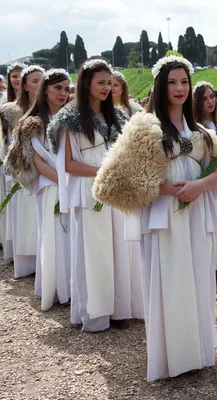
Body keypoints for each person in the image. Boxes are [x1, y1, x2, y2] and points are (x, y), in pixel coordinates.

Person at [93, 56, 217, 382]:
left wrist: (198, 185)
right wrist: (164, 187)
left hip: (194, 214)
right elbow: (114, 181)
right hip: (162, 216)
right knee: (168, 280)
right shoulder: (143, 126)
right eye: (172, 82)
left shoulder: (202, 131)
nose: (180, 88)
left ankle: (197, 351)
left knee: (196, 277)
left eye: (184, 82)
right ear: (160, 85)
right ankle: (170, 357)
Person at [47, 59, 143, 332]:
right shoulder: (69, 118)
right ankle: (96, 311)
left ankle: (120, 308)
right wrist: (103, 172)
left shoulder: (120, 117)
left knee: (121, 248)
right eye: (100, 82)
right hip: (89, 192)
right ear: (86, 83)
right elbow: (66, 163)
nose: (106, 88)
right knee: (94, 251)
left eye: (110, 83)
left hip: (118, 191)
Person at [3, 69, 71, 311]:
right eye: (57, 88)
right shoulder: (32, 123)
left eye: (66, 88)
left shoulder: (72, 119)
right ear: (45, 90)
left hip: (72, 185)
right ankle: (55, 285)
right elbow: (38, 162)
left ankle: (72, 286)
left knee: (72, 236)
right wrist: (63, 182)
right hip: (51, 186)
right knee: (53, 235)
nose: (62, 93)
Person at [0, 65, 45, 277]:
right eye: (35, 81)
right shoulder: (12, 111)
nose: (40, 85)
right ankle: (27, 262)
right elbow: (9, 144)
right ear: (25, 86)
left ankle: (44, 259)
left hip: (45, 169)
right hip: (25, 168)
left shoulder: (49, 109)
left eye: (42, 80)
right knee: (26, 215)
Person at [192, 80, 217, 283]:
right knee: (207, 217)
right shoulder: (194, 124)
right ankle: (210, 264)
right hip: (204, 175)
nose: (209, 101)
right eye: (204, 98)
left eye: (211, 97)